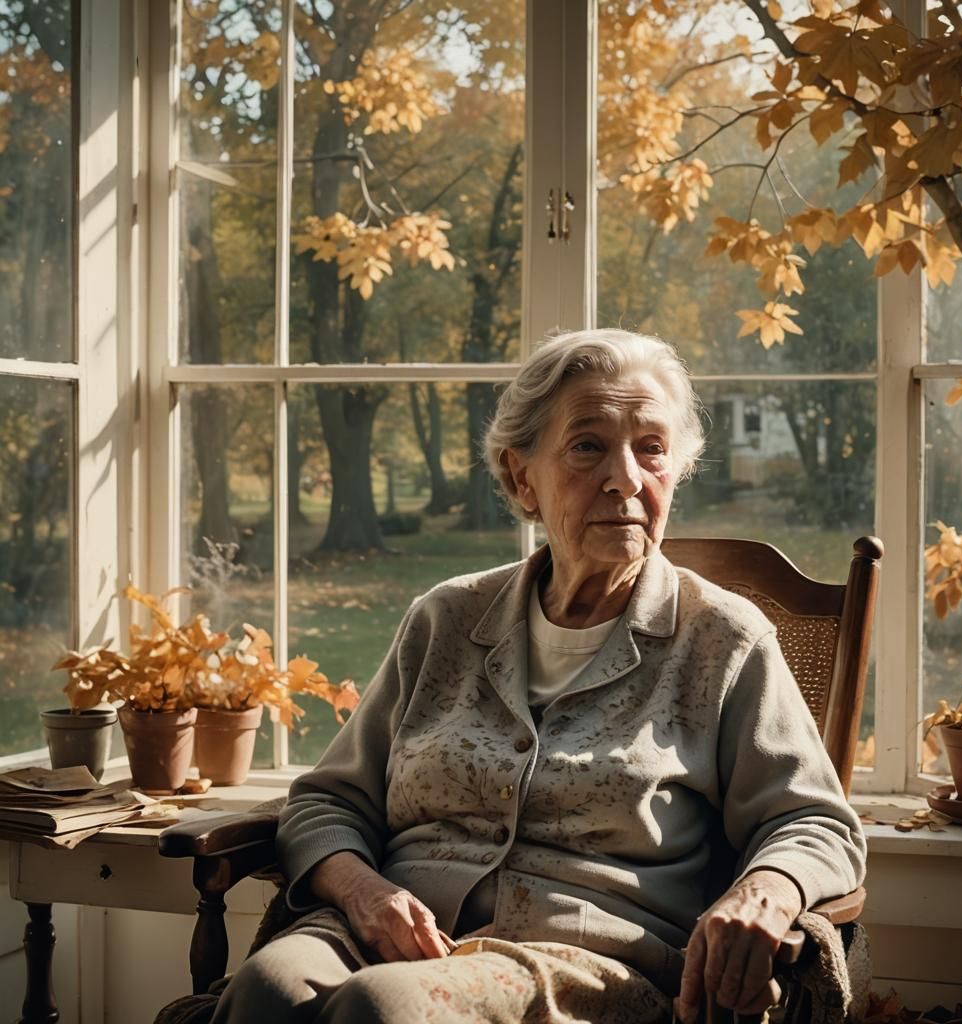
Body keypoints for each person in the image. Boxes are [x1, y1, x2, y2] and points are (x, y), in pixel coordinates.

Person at [210, 329, 866, 1024]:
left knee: (384, 1008)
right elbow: (327, 802)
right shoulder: (447, 620)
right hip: (389, 934)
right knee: (266, 989)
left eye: (651, 448)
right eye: (588, 447)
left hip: (588, 965)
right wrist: (366, 894)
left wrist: (765, 892)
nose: (626, 477)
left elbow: (814, 819)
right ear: (522, 478)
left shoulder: (721, 640)